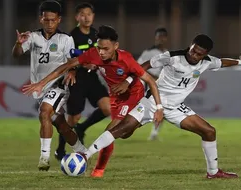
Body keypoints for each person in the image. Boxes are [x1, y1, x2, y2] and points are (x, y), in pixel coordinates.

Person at [78, 34, 241, 178]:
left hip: (176, 107)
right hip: (151, 102)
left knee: (209, 131)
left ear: (205, 54)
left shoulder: (207, 62)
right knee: (122, 131)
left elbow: (222, 62)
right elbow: (145, 65)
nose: (194, 55)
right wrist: (128, 80)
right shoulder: (172, 57)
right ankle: (85, 155)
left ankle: (213, 172)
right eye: (193, 51)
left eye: (198, 54)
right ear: (190, 46)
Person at [22, 25, 164, 177]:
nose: (101, 52)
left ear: (116, 46)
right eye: (99, 47)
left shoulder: (126, 59)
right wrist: (41, 83)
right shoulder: (94, 54)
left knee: (111, 132)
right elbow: (68, 65)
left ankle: (96, 168)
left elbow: (150, 81)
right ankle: (132, 126)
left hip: (132, 95)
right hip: (115, 97)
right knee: (123, 133)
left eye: (106, 49)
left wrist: (159, 107)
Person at [13, 0, 86, 171]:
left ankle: (44, 158)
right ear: (41, 19)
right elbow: (16, 55)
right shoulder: (32, 37)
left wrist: (72, 71)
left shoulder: (65, 39)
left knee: (44, 112)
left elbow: (72, 61)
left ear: (59, 19)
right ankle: (82, 151)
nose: (50, 23)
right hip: (39, 89)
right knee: (60, 125)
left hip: (58, 85)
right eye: (46, 20)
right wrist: (18, 44)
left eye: (53, 20)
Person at [54, 2, 112, 160]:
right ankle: (60, 149)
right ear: (77, 17)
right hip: (77, 81)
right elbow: (68, 58)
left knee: (108, 108)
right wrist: (76, 67)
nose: (86, 17)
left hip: (92, 80)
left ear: (93, 16)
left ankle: (83, 128)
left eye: (89, 14)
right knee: (72, 119)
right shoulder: (71, 37)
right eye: (82, 14)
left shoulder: (96, 35)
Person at [137, 27, 168, 141]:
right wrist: (152, 77)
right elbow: (138, 68)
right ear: (155, 38)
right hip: (147, 85)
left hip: (160, 86)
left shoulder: (166, 53)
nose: (161, 39)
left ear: (166, 38)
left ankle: (154, 134)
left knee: (162, 109)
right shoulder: (148, 52)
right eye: (159, 36)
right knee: (141, 110)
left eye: (163, 37)